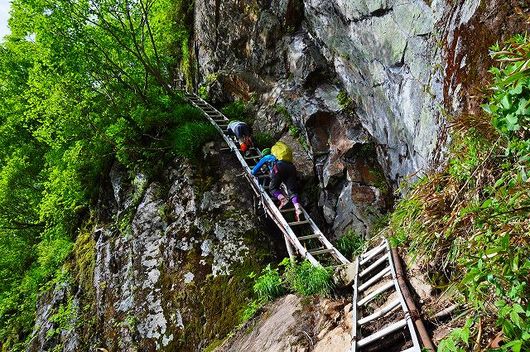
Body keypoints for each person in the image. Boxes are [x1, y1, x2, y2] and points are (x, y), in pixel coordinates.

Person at [251, 147, 303, 221]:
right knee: (292, 191)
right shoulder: (280, 158)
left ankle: (283, 200)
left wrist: (251, 172)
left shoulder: (267, 157)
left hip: (279, 167)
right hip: (291, 168)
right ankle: (298, 209)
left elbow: (254, 170)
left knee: (273, 188)